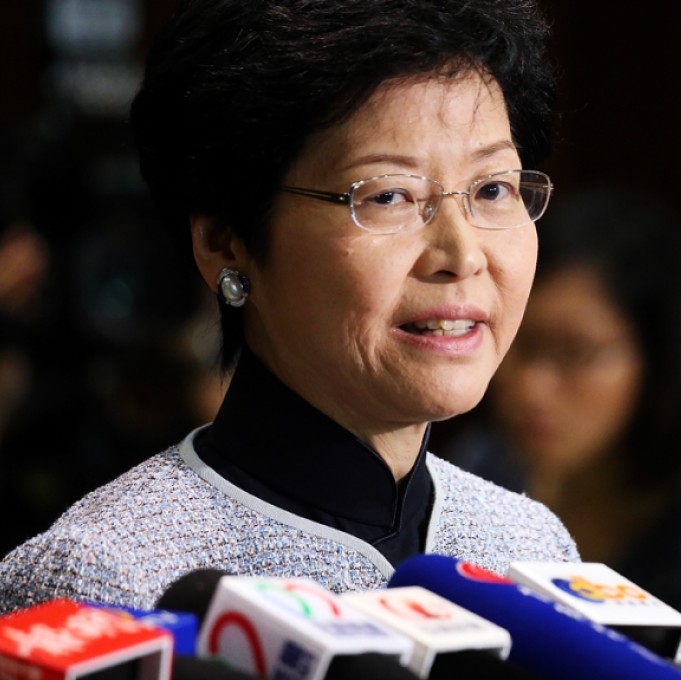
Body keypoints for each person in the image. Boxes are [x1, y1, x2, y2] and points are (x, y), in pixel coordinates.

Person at [0, 0, 578, 613]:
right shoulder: (108, 578)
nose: (461, 255)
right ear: (227, 240)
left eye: (493, 189)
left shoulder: (532, 550)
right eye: (389, 196)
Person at [438, 188, 681, 638]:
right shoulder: (481, 462)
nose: (530, 389)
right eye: (522, 343)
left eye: (577, 353)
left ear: (656, 359)